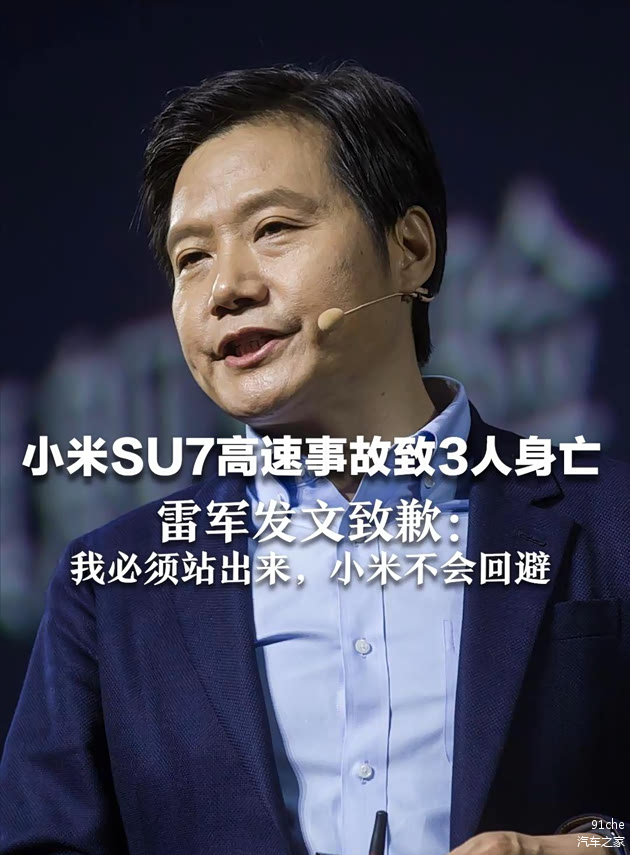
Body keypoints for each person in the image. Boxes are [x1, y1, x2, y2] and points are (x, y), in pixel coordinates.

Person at [1, 63, 629, 855]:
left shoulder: (607, 521)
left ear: (411, 250)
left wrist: (604, 846)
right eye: (191, 258)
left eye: (273, 229)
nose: (225, 288)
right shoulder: (112, 587)